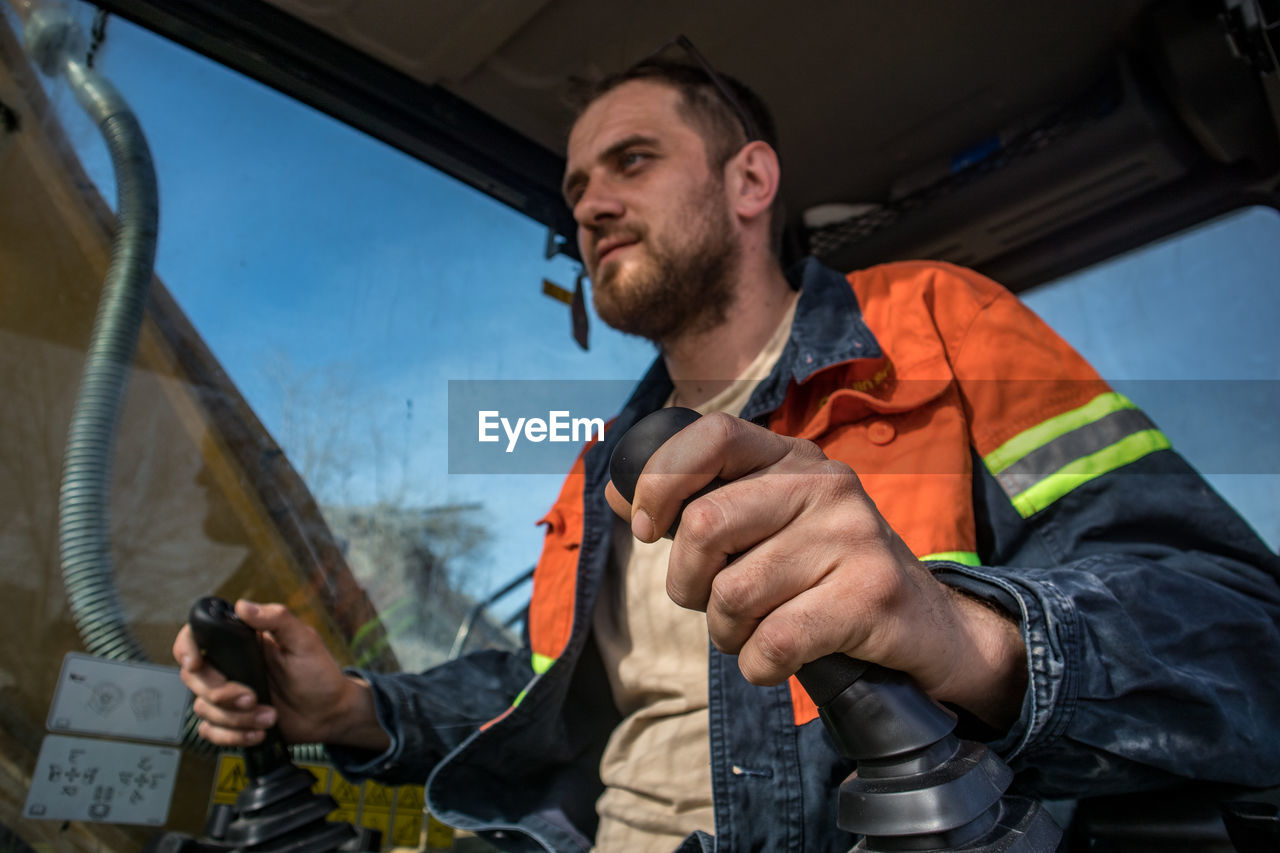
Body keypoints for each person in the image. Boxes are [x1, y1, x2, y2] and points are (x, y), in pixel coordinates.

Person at [175, 56, 1280, 852]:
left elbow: (1227, 629)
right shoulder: (594, 472)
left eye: (632, 162)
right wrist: (351, 709)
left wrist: (964, 631)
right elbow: (535, 691)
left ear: (750, 183)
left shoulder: (936, 323)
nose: (591, 207)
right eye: (574, 191)